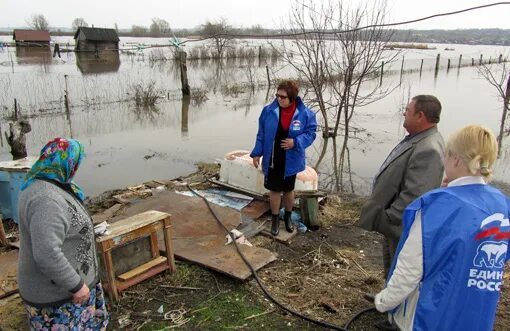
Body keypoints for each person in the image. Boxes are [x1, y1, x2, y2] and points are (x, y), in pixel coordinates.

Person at [374, 125, 509, 331]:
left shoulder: (434, 207)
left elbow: (409, 270)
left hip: (432, 317)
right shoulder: (502, 204)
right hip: (477, 317)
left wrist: (384, 301)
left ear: (455, 159)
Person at [17, 138, 109, 330]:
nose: (76, 168)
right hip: (59, 297)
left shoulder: (48, 183)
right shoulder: (46, 199)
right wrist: (76, 285)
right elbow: (46, 252)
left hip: (69, 290)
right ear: (67, 163)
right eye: (76, 162)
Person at [358, 95, 445, 277]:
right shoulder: (418, 138)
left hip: (401, 224)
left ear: (420, 116)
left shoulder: (428, 149)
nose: (404, 113)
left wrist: (391, 216)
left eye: (407, 110)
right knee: (392, 263)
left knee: (400, 267)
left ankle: (395, 304)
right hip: (395, 223)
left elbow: (416, 194)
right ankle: (387, 298)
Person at [250, 80, 317, 236]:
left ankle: (287, 218)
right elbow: (261, 134)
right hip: (272, 157)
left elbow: (311, 134)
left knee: (288, 190)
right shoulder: (268, 111)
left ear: (292, 98)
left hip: (291, 159)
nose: (279, 99)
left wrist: (296, 142)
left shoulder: (305, 114)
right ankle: (274, 219)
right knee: (274, 190)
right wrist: (256, 152)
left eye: (283, 97)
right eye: (277, 95)